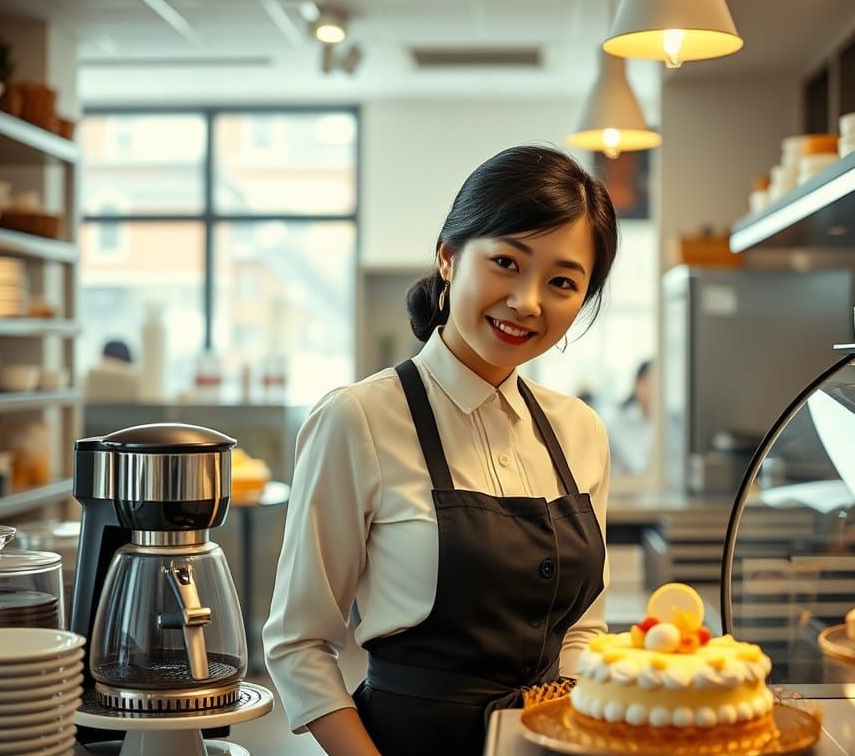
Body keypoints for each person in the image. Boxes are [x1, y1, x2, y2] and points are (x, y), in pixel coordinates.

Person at [263, 145, 618, 756]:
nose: (528, 302)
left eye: (562, 281)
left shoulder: (579, 430)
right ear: (449, 258)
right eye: (506, 261)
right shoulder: (359, 418)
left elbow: (582, 628)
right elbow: (298, 645)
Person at [608, 359, 654, 476]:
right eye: (650, 383)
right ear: (638, 385)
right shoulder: (619, 422)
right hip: (628, 492)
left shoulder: (667, 423)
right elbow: (638, 467)